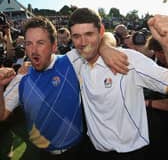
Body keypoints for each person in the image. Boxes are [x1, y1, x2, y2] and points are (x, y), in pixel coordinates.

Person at [0, 15, 128, 159]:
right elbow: (2, 114)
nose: (33, 50)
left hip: (79, 150)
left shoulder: (72, 61)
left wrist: (104, 48)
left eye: (40, 43)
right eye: (29, 43)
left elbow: (105, 36)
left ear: (54, 46)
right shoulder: (21, 78)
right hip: (45, 154)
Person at [68, 8, 168, 160]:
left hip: (130, 153)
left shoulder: (128, 59)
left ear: (101, 31)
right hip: (94, 151)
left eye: (89, 34)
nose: (82, 43)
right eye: (76, 36)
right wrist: (103, 47)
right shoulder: (75, 60)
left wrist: (166, 45)